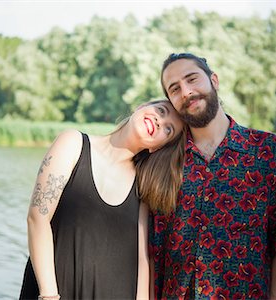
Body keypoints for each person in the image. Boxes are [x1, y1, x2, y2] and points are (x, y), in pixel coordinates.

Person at [149, 53, 276, 299]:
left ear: (214, 80)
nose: (187, 92)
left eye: (192, 79)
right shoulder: (163, 162)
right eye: (175, 89)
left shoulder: (266, 151)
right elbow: (151, 249)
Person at [19, 99, 185, 300]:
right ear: (141, 106)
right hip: (53, 293)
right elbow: (37, 219)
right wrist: (49, 295)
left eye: (168, 130)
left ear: (158, 147)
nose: (160, 121)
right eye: (160, 110)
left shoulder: (142, 188)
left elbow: (141, 259)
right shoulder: (72, 144)